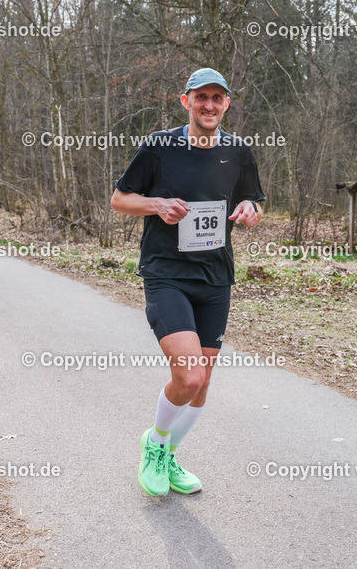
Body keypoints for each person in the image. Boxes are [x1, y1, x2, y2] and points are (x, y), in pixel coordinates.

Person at [111, 68, 265, 497]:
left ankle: (171, 454)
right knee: (189, 377)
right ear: (186, 101)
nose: (210, 105)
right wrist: (156, 204)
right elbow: (119, 199)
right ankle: (154, 444)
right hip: (166, 274)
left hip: (215, 278)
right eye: (202, 97)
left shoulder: (238, 151)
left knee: (204, 383)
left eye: (218, 98)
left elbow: (251, 198)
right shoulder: (160, 146)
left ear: (227, 104)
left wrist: (251, 208)